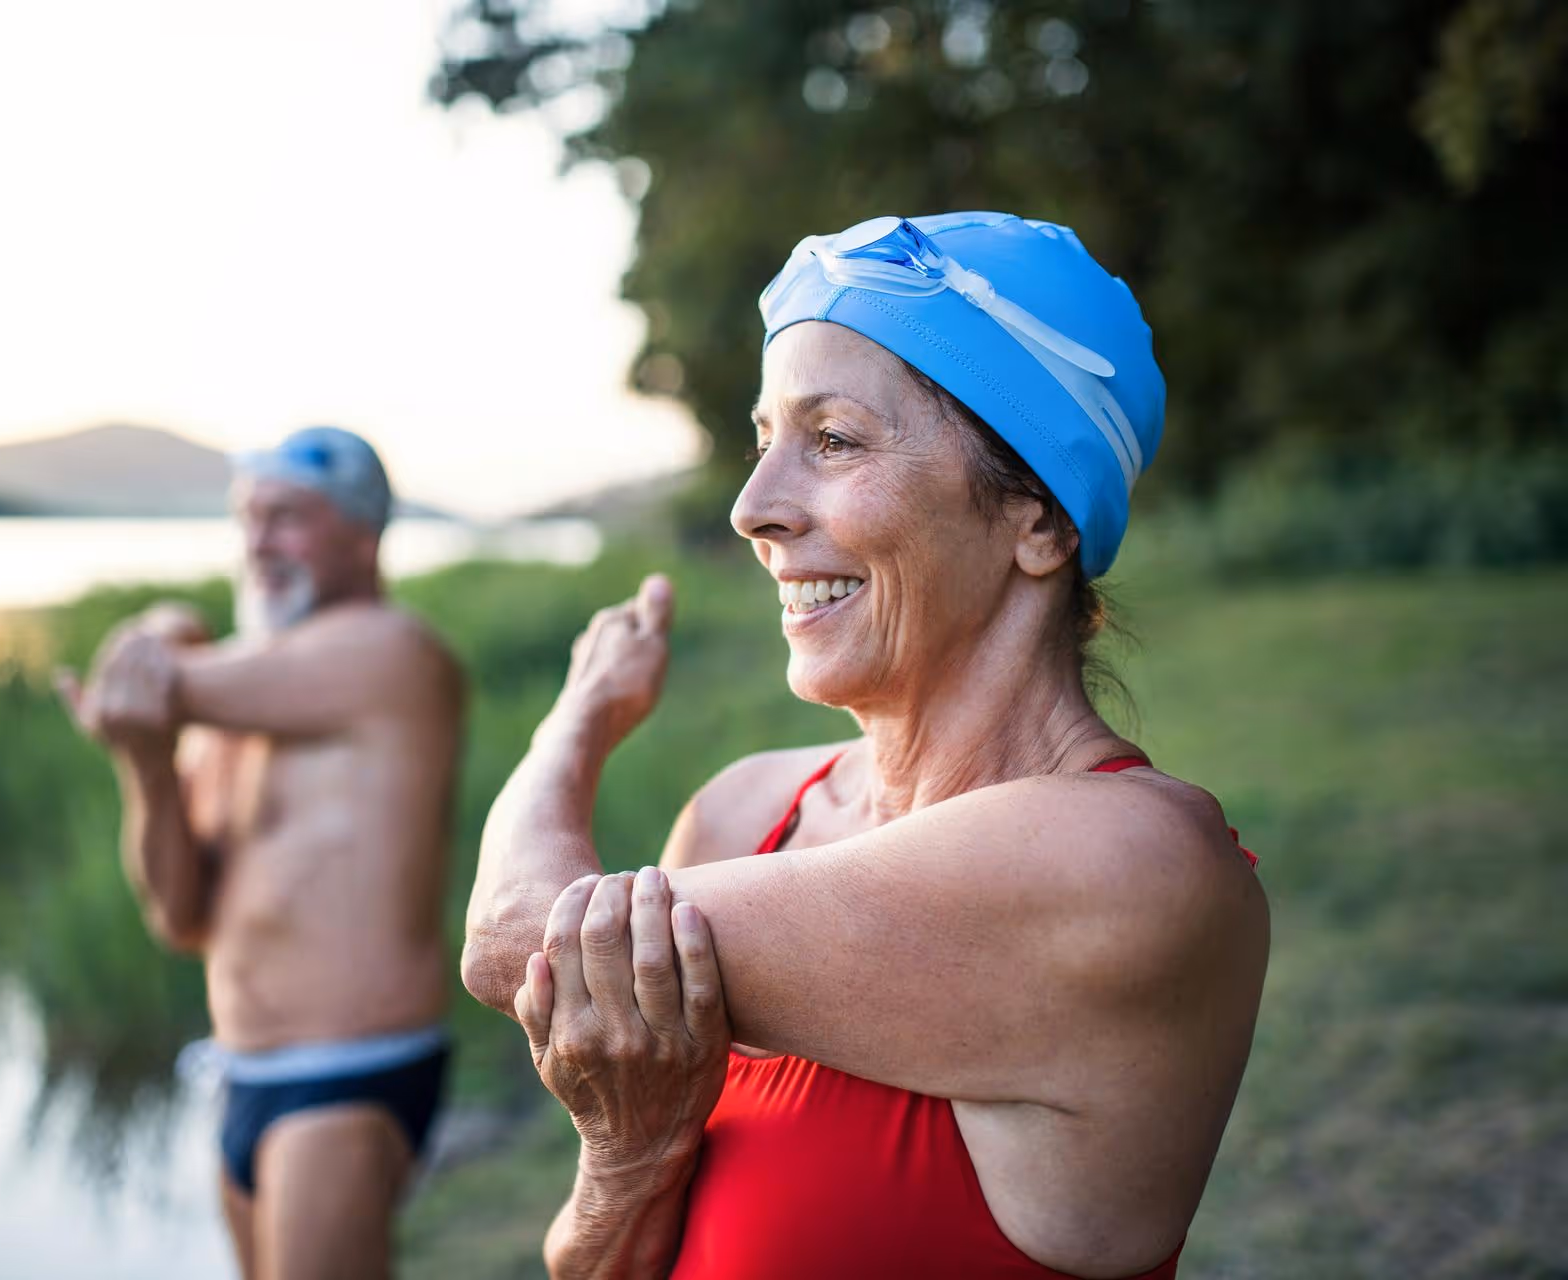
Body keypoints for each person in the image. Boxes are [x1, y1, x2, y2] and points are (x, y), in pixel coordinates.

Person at [461, 214, 1269, 1278]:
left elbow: (515, 937)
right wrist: (628, 1153)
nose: (754, 508)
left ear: (1039, 516)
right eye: (763, 443)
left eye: (833, 440)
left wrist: (573, 724)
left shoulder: (1134, 868)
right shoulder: (743, 814)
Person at [61, 426, 464, 1280]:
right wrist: (145, 764)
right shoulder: (235, 702)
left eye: (287, 518)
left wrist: (157, 631)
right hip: (241, 1074)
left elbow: (150, 681)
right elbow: (179, 916)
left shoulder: (391, 652)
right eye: (248, 517)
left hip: (351, 1072)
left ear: (362, 534)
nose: (257, 541)